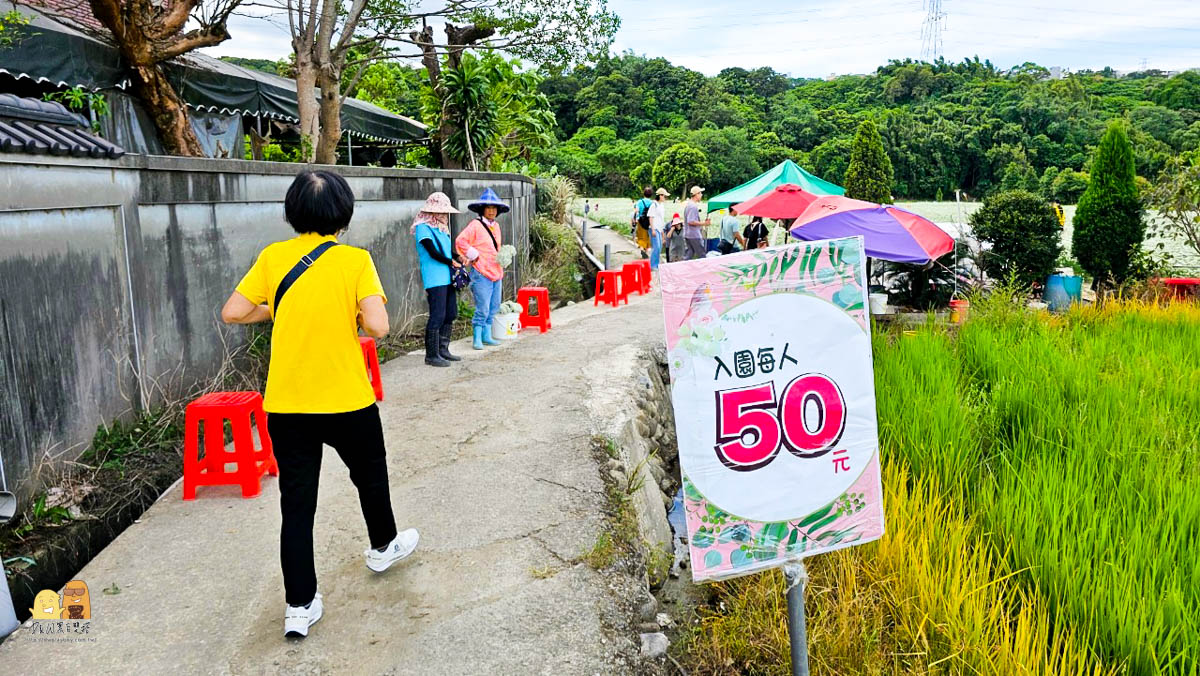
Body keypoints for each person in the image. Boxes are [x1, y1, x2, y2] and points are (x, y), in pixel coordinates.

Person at [220, 170, 418, 639]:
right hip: (348, 399)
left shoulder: (272, 258)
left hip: (288, 405)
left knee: (297, 507)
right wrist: (348, 310)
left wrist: (279, 306)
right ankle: (383, 547)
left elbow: (233, 312)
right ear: (343, 213)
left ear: (293, 212)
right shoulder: (355, 261)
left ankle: (299, 605)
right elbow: (379, 326)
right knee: (370, 477)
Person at [412, 192, 465, 367]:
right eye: (440, 212)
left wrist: (458, 257)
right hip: (434, 278)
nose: (443, 215)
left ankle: (443, 349)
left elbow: (446, 250)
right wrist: (451, 261)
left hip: (447, 276)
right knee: (437, 315)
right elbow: (433, 252)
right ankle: (432, 355)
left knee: (450, 313)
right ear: (431, 211)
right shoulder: (423, 228)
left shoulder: (441, 228)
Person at [456, 188, 508, 350]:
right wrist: (474, 254)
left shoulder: (496, 226)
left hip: (496, 271)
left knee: (493, 306)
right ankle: (477, 338)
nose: (492, 211)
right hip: (481, 272)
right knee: (482, 307)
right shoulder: (475, 225)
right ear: (482, 210)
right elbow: (461, 241)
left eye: (494, 208)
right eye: (488, 208)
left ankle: (487, 336)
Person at [683, 185, 711, 260]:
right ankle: (705, 270)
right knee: (702, 254)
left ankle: (683, 269)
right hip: (694, 235)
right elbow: (690, 221)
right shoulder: (693, 206)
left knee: (689, 253)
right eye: (700, 193)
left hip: (688, 234)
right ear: (696, 194)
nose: (701, 195)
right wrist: (704, 223)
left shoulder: (689, 205)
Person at [648, 188, 669, 269]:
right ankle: (653, 265)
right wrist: (653, 229)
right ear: (660, 196)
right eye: (664, 196)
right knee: (656, 247)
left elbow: (661, 219)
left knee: (659, 247)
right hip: (654, 228)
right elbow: (651, 217)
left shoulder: (661, 205)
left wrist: (662, 232)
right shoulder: (654, 205)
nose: (665, 198)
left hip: (659, 229)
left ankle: (656, 264)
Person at [633, 187, 654, 257]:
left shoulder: (639, 202)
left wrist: (635, 219)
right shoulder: (652, 203)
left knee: (641, 236)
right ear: (651, 194)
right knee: (648, 237)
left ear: (644, 193)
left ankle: (642, 249)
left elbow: (636, 211)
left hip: (641, 221)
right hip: (650, 222)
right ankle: (647, 252)